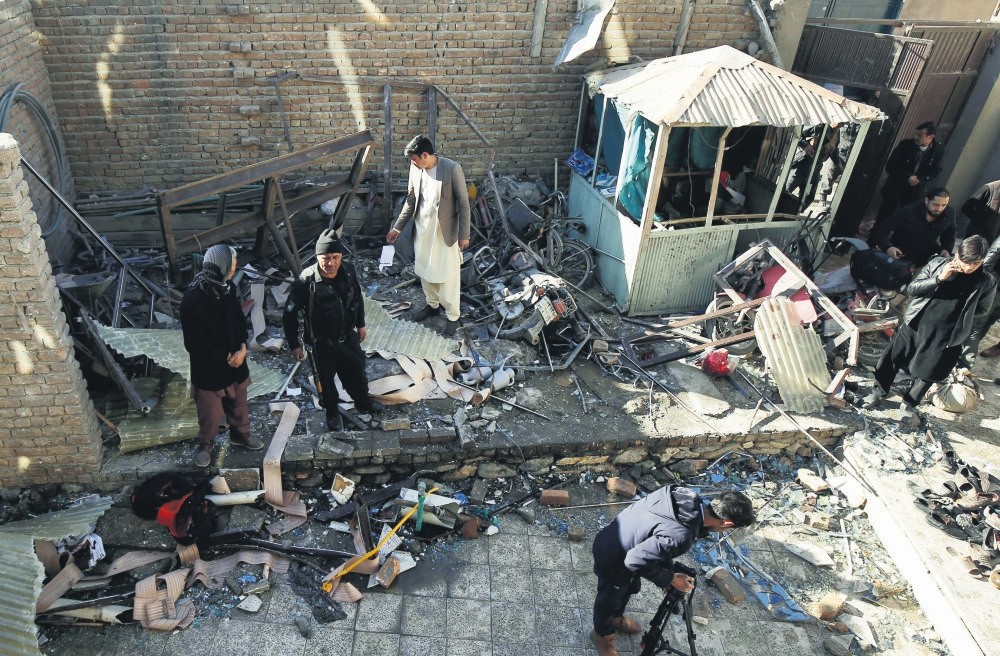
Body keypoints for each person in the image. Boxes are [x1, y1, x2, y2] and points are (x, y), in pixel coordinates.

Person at [590, 486, 756, 656]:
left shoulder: (684, 495)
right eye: (730, 529)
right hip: (614, 557)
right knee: (609, 598)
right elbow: (636, 560)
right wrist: (669, 578)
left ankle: (615, 618)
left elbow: (661, 538)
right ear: (726, 523)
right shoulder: (682, 535)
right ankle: (602, 634)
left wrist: (668, 571)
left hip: (620, 537)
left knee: (630, 587)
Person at [862, 236, 995, 426]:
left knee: (929, 372)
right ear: (957, 254)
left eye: (975, 263)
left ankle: (908, 405)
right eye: (965, 262)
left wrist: (962, 319)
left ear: (982, 260)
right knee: (891, 359)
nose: (968, 267)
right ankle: (877, 393)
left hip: (948, 335)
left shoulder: (986, 280)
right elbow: (913, 289)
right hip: (916, 323)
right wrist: (940, 278)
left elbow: (983, 310)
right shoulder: (938, 264)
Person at [283, 230, 384, 431]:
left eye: (335, 257)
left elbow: (357, 297)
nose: (331, 263)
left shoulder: (348, 271)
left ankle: (363, 402)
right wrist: (294, 344)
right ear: (317, 257)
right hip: (321, 344)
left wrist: (361, 323)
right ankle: (332, 412)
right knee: (326, 383)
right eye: (325, 258)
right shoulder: (305, 282)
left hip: (347, 337)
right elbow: (289, 314)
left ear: (341, 257)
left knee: (357, 374)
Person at [180, 244, 264, 468]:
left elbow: (238, 322)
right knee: (210, 412)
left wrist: (243, 347)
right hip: (210, 366)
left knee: (239, 402)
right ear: (219, 266)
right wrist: (227, 355)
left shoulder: (228, 289)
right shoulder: (193, 299)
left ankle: (240, 434)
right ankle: (206, 444)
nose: (234, 270)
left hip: (236, 360)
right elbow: (194, 343)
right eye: (232, 265)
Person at [386, 134, 471, 337]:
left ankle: (453, 316)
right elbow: (410, 200)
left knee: (448, 275)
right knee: (425, 270)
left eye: (414, 158)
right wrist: (397, 228)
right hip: (422, 229)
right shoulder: (416, 169)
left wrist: (464, 234)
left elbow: (464, 204)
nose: (412, 162)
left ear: (425, 155)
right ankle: (432, 306)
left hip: (445, 232)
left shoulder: (451, 168)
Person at [873, 121, 945, 228]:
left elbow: (936, 170)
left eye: (920, 135)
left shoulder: (938, 150)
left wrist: (920, 180)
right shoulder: (906, 145)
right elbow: (891, 166)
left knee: (905, 221)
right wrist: (907, 176)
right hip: (896, 187)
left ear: (930, 137)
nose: (916, 137)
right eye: (916, 134)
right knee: (884, 217)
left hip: (914, 192)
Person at [869, 187, 956, 268]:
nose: (940, 209)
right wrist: (888, 247)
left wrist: (946, 249)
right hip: (901, 257)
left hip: (926, 260)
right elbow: (880, 231)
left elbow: (950, 232)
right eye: (936, 205)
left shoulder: (950, 213)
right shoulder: (907, 212)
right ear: (926, 200)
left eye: (944, 205)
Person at [963, 233, 1000, 362]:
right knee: (976, 324)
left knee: (987, 323)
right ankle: (964, 360)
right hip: (995, 290)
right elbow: (988, 264)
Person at [785, 123, 840, 208]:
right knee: (786, 191)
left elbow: (834, 149)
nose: (843, 125)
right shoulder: (819, 125)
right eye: (842, 122)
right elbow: (796, 134)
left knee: (809, 197)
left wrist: (838, 163)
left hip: (816, 168)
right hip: (802, 164)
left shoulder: (836, 133)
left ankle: (794, 214)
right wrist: (805, 145)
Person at [962, 179, 1000, 245]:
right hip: (975, 239)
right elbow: (966, 208)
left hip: (994, 242)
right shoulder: (989, 188)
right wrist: (981, 220)